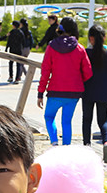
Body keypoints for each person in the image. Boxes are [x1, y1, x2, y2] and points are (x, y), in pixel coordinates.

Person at [37, 16, 92, 146]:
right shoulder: (79, 48)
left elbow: (45, 72)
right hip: (73, 93)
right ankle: (66, 148)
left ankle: (54, 142)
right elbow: (88, 72)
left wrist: (40, 93)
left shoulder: (51, 46)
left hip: (55, 91)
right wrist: (77, 80)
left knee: (49, 117)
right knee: (66, 122)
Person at [82, 24, 107, 162]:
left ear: (90, 38)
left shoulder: (85, 53)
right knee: (103, 120)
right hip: (104, 91)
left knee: (87, 119)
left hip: (88, 90)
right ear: (104, 38)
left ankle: (86, 147)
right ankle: (106, 143)